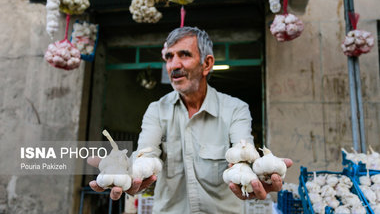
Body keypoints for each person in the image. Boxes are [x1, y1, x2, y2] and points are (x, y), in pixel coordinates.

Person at [88, 26, 292, 213]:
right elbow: (146, 154)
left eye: (184, 55)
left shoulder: (235, 109)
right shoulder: (156, 110)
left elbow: (243, 153)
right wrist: (129, 171)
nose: (173, 65)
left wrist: (257, 172)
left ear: (207, 64)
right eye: (169, 57)